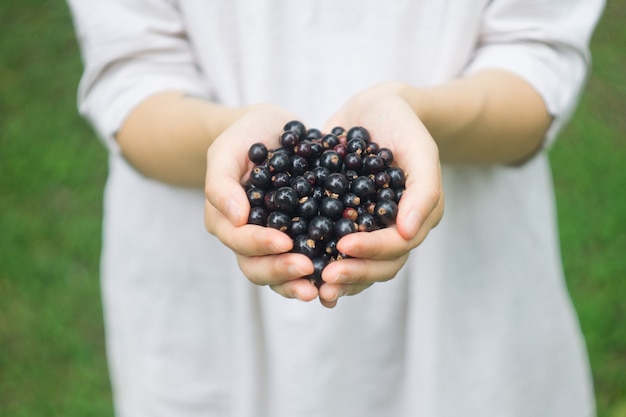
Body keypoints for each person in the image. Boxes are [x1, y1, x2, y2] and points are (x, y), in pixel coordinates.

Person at [67, 1, 605, 416]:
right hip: (206, 301)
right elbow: (133, 75)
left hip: (465, 290)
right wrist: (219, 139)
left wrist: (421, 113)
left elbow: (536, 58)